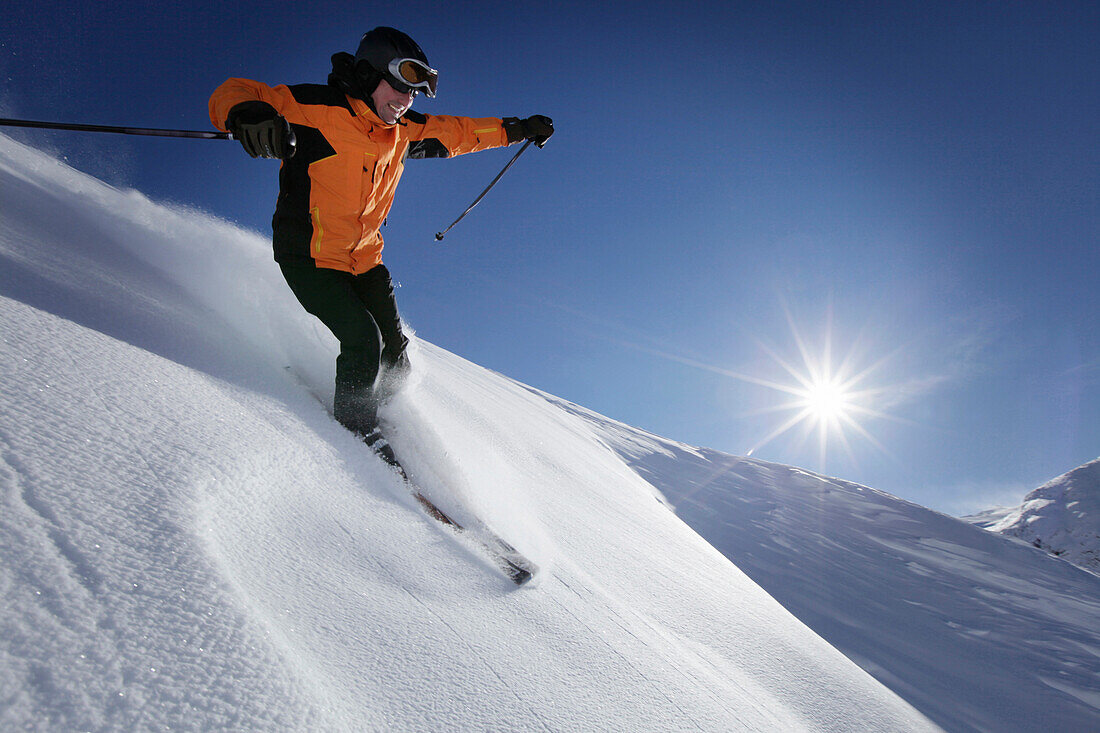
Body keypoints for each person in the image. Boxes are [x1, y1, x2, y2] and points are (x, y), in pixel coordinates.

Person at [209, 27, 552, 451]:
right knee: (362, 340)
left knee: (396, 358)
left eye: (415, 93)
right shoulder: (316, 108)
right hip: (309, 256)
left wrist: (518, 129)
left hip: (367, 260)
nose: (406, 100)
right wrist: (247, 114)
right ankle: (356, 434)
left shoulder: (404, 130)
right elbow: (238, 90)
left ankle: (378, 410)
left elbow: (462, 132)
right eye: (400, 87)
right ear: (370, 74)